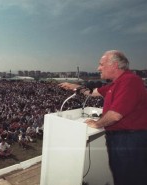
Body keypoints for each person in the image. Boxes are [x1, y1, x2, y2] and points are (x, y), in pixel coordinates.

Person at [59, 50, 147, 185]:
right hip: (122, 138)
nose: (98, 68)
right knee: (121, 176)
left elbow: (115, 115)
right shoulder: (116, 83)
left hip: (129, 140)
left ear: (114, 65)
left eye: (101, 64)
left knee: (128, 178)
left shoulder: (130, 81)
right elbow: (93, 92)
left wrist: (97, 123)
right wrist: (76, 87)